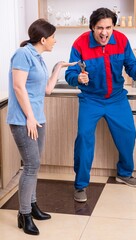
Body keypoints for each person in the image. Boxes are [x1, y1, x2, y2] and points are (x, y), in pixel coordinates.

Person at [65, 8, 136, 203]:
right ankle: (80, 185)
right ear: (92, 27)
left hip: (116, 99)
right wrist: (78, 77)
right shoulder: (80, 44)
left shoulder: (121, 40)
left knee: (128, 135)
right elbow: (69, 74)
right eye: (100, 28)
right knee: (84, 139)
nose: (104, 32)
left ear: (113, 27)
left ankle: (124, 173)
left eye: (108, 27)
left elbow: (131, 63)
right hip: (91, 100)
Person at [6, 18, 76, 235]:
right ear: (44, 39)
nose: (55, 41)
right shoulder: (23, 54)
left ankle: (33, 205)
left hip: (37, 119)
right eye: (53, 37)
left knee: (34, 165)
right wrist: (28, 117)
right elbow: (18, 87)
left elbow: (47, 89)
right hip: (23, 120)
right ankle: (24, 214)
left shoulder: (39, 58)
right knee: (31, 165)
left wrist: (57, 68)